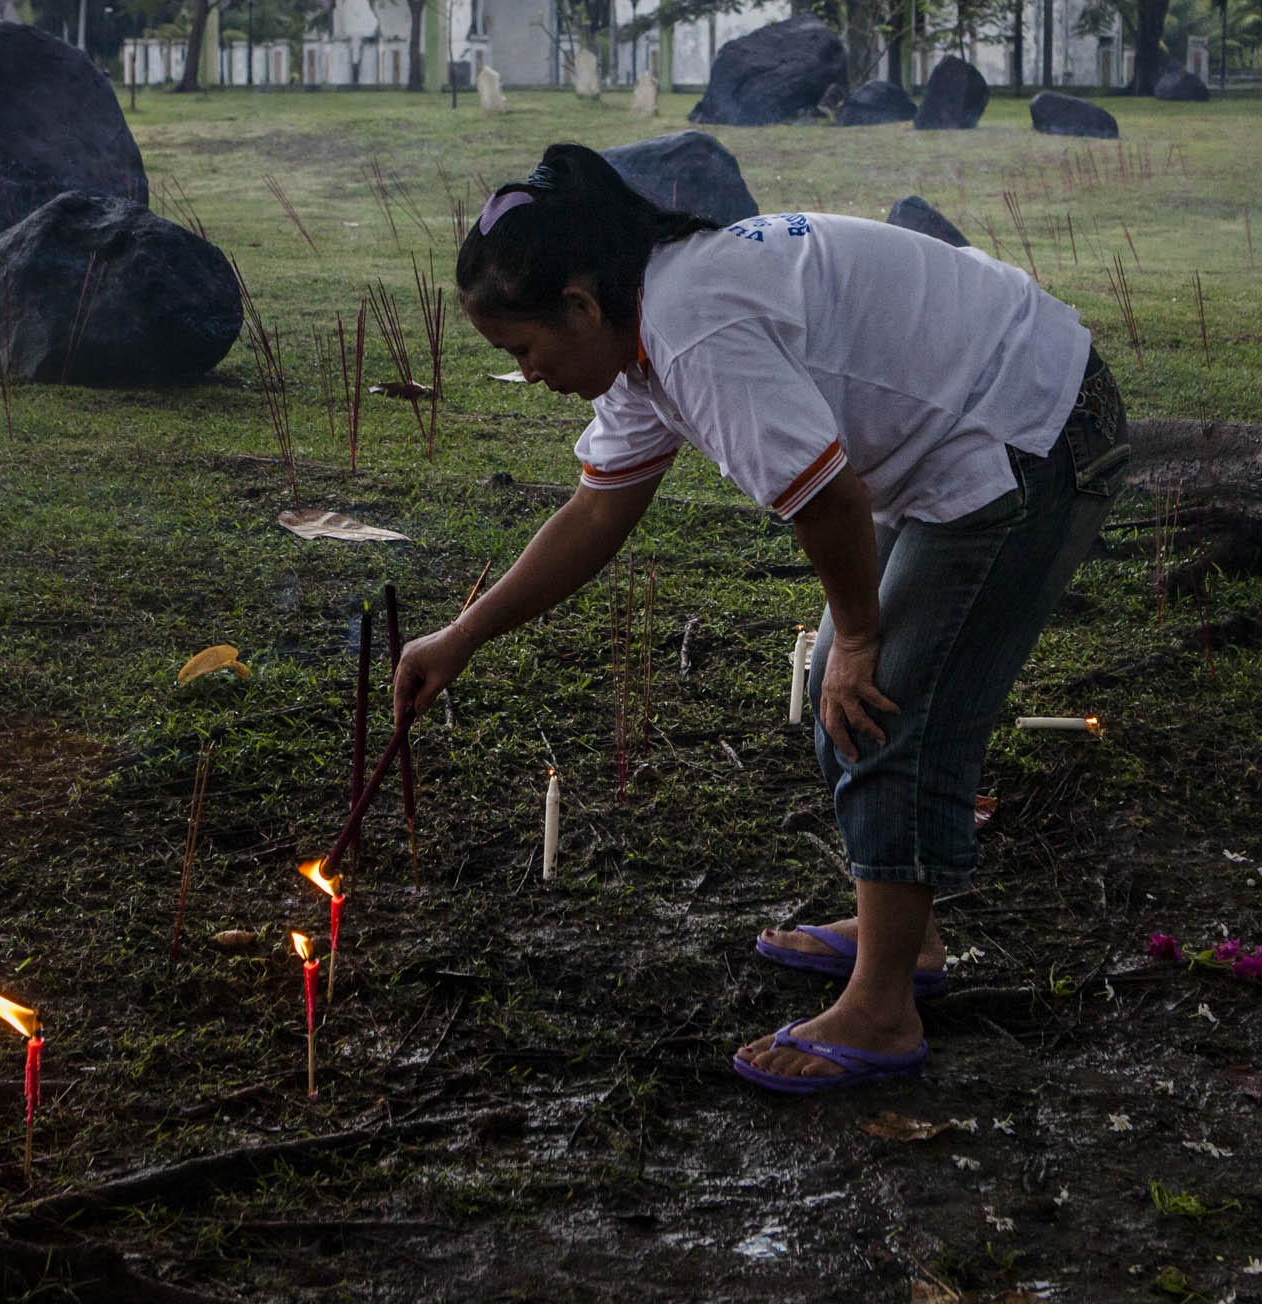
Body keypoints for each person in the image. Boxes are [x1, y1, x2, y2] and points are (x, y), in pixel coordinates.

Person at [392, 143, 1128, 1093]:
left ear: (580, 305)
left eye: (522, 350)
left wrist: (861, 640)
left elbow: (828, 502)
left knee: (884, 706)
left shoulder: (692, 329)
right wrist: (461, 638)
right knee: (847, 695)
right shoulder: (642, 336)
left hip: (1032, 433)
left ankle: (883, 1010)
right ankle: (908, 935)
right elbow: (597, 514)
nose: (526, 376)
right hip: (970, 432)